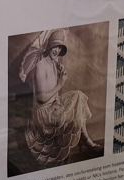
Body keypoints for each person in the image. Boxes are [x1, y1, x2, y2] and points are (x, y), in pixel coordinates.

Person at [19, 28, 98, 166]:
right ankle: (86, 141)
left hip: (54, 106)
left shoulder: (54, 64)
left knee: (79, 95)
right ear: (48, 47)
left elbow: (54, 95)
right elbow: (41, 99)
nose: (57, 51)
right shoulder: (40, 66)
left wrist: (60, 76)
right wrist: (61, 83)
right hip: (43, 114)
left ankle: (85, 139)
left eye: (60, 47)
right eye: (55, 46)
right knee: (71, 109)